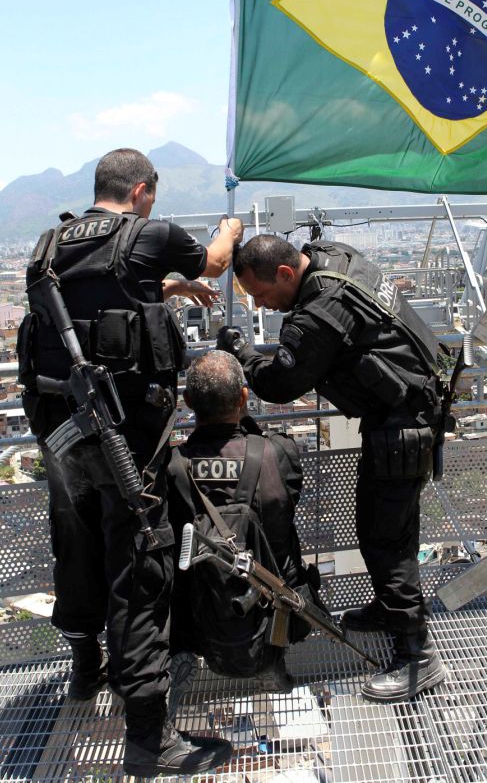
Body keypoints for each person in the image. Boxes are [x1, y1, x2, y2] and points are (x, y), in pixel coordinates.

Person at [18, 148, 242, 777]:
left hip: (63, 434)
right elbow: (217, 262)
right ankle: (147, 737)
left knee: (77, 546)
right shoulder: (150, 235)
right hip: (128, 440)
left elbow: (93, 305)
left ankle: (86, 668)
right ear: (143, 191)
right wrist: (230, 231)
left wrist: (168, 288)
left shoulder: (46, 245)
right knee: (140, 569)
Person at [217, 234, 448, 703]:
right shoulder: (333, 258)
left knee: (387, 541)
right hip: (407, 412)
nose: (263, 305)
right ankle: (391, 610)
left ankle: (418, 655)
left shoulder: (319, 312)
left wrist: (242, 355)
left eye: (262, 294)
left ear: (285, 273)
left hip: (402, 427)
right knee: (381, 530)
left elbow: (280, 383)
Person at [167, 350, 306, 690]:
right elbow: (288, 507)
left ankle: (179, 657)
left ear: (187, 401)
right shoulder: (278, 453)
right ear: (244, 397)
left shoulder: (172, 467)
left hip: (199, 611)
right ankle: (273, 660)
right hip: (271, 601)